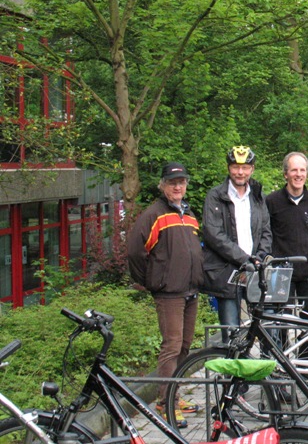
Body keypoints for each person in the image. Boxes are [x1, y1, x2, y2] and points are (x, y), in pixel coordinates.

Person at [127, 162, 204, 428]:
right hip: (169, 293)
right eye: (172, 183)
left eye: (181, 182)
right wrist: (150, 281)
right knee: (171, 346)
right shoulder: (154, 214)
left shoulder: (189, 214)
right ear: (163, 186)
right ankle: (165, 402)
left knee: (184, 346)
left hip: (191, 290)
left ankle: (175, 395)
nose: (177, 187)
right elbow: (135, 251)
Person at [202, 146, 272, 343]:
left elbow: (266, 230)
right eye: (235, 167)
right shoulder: (215, 195)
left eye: (245, 167)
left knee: (266, 330)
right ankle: (233, 364)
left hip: (255, 271)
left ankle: (265, 364)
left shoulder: (257, 196)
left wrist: (259, 257)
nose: (240, 172)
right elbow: (213, 234)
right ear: (228, 168)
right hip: (227, 272)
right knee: (231, 335)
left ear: (252, 169)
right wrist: (244, 259)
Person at [265, 152, 308, 334]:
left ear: (307, 173)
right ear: (285, 174)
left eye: (302, 170)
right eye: (294, 170)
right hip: (281, 272)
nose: (298, 174)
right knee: (281, 324)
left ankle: (306, 354)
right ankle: (282, 353)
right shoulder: (271, 201)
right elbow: (267, 235)